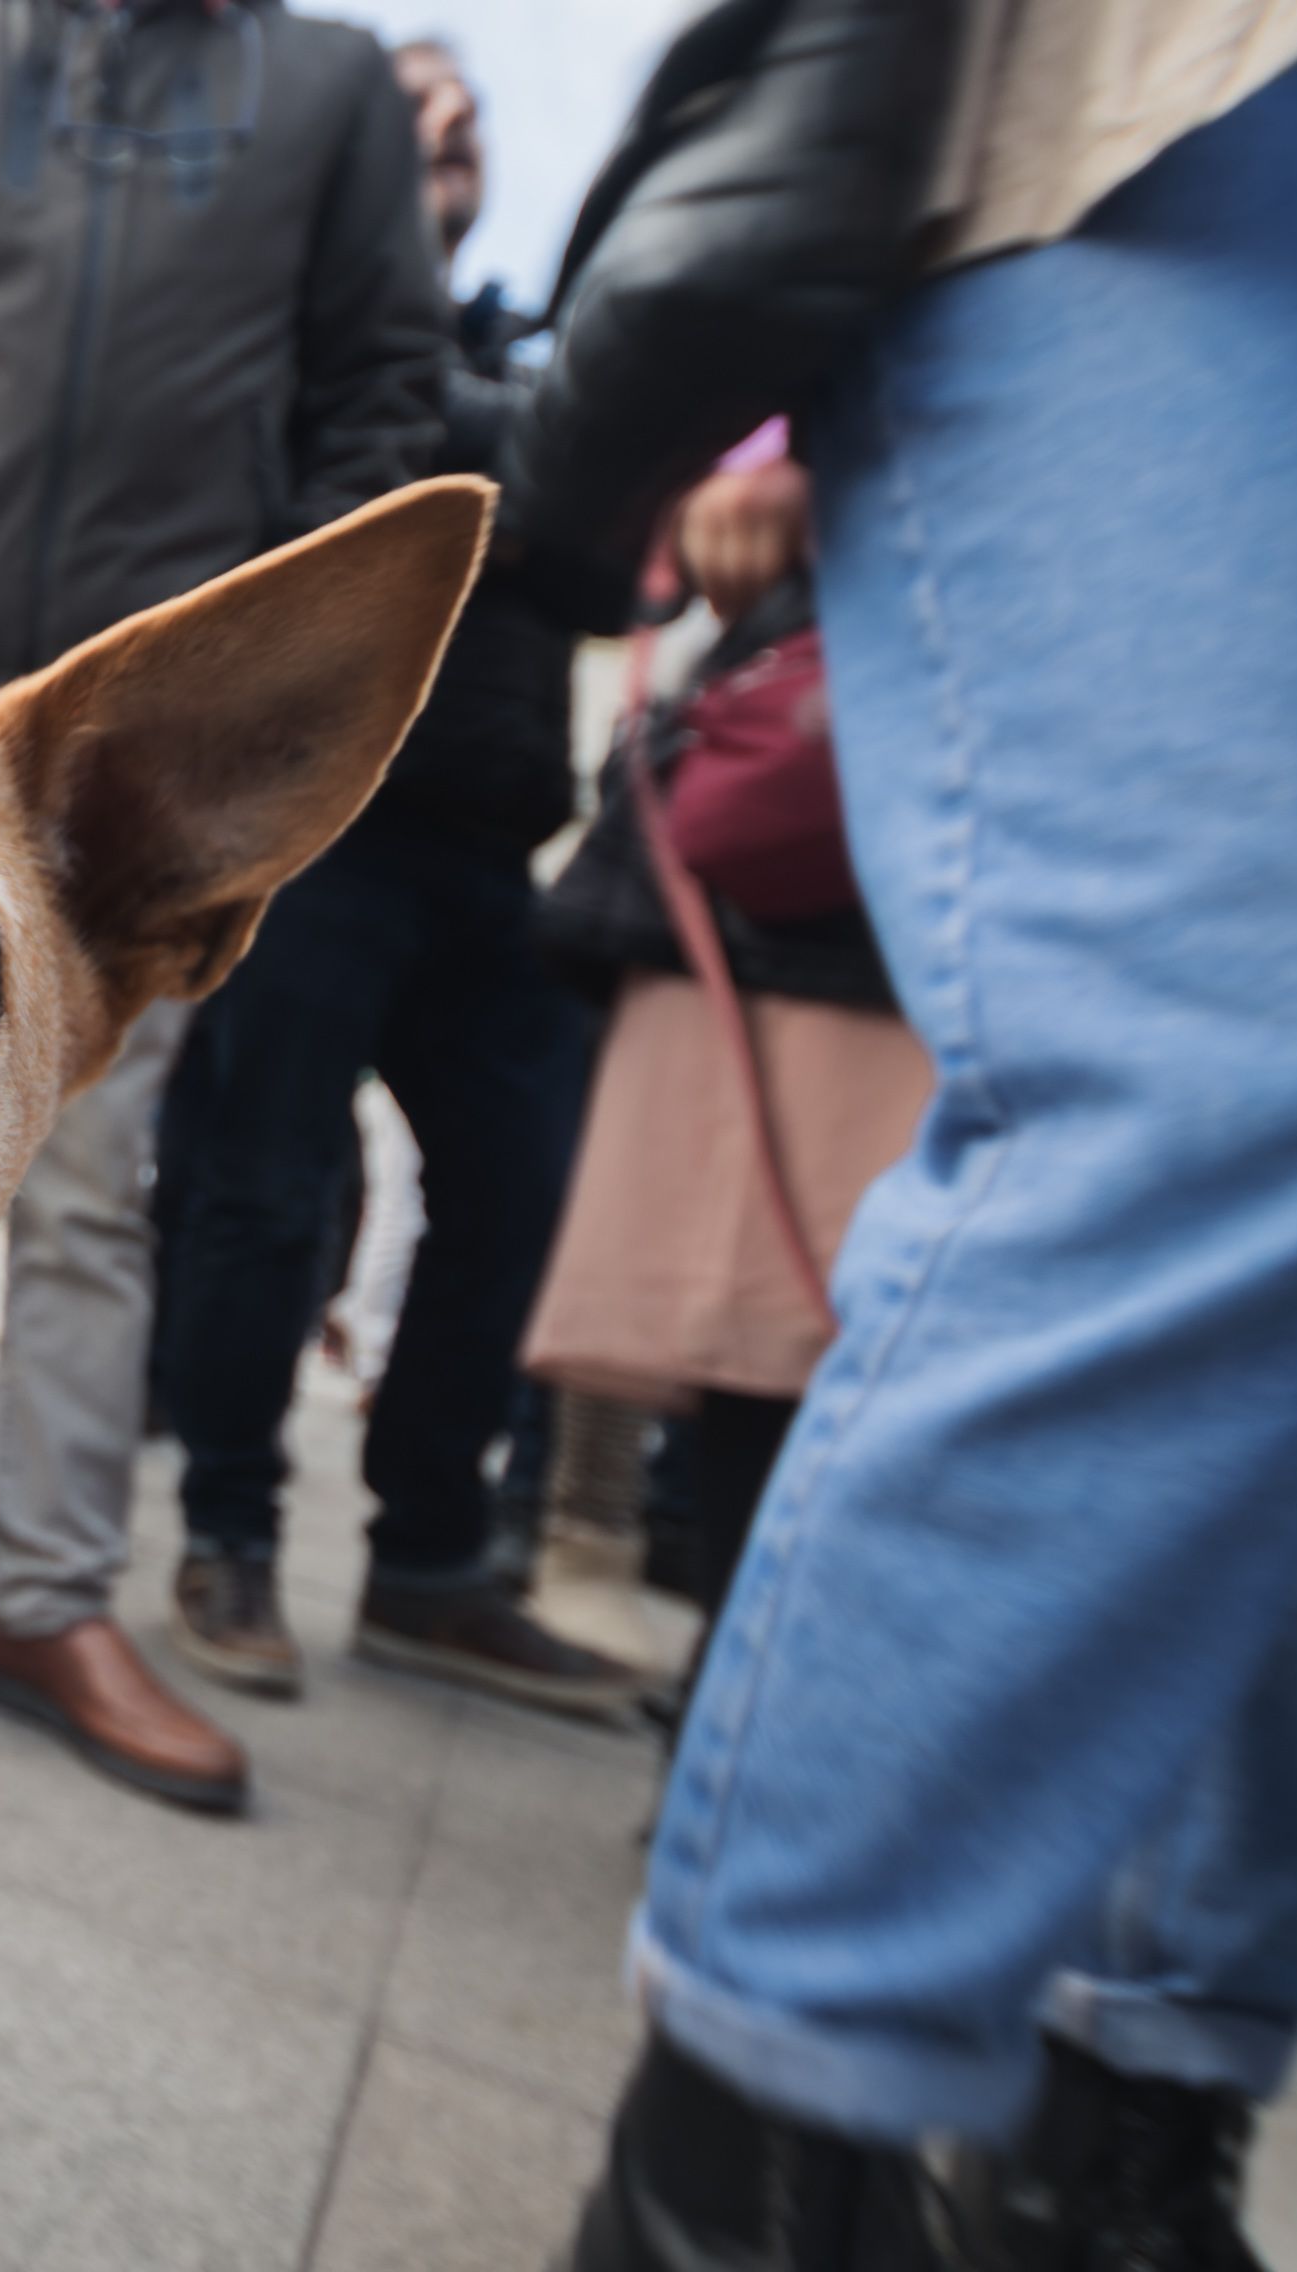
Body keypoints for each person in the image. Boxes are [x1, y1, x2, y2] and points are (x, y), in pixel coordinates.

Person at [501, 3, 1297, 2263]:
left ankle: (1129, 2109)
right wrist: (781, 368)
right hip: (1171, 104)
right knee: (1235, 1076)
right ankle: (758, 2141)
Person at [0, 0, 452, 1815]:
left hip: (118, 767)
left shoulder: (335, 87)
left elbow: (380, 396)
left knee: (88, 1192)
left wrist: (240, 680)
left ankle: (38, 1594)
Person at [149, 33, 635, 1720]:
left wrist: (499, 470)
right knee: (265, 1185)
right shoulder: (284, 330)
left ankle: (430, 1558)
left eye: (467, 119)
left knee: (514, 1181)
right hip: (315, 847)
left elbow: (600, 553)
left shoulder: (519, 349)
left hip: (494, 847)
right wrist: (513, 474)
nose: (441, 131)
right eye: (410, 107)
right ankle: (224, 1526)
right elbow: (369, 514)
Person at [521, 436, 930, 1713]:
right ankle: (734, 1712)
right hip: (845, 933)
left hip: (877, 933)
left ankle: (735, 1706)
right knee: (790, 1357)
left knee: (798, 1359)